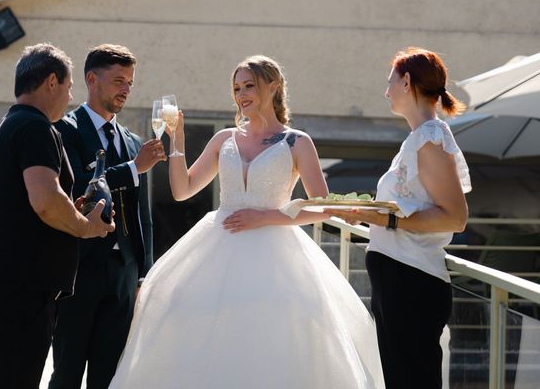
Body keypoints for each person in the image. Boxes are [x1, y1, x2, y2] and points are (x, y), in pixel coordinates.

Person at [109, 55, 385, 389]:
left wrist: (266, 216)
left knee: (271, 337)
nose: (241, 94)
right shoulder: (224, 138)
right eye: (237, 88)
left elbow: (324, 209)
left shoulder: (297, 142)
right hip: (217, 247)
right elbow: (182, 190)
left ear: (273, 86)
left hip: (276, 256)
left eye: (249, 85)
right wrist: (177, 139)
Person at [0, 43, 115, 389]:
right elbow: (46, 201)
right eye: (69, 88)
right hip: (19, 297)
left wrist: (72, 210)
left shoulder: (12, 126)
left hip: (12, 293)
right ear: (52, 82)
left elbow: (34, 201)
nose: (69, 98)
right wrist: (86, 227)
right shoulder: (35, 128)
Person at [326, 47, 471, 389]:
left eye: (390, 81)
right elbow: (414, 206)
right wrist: (365, 214)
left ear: (407, 82)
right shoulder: (419, 139)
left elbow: (455, 217)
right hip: (400, 278)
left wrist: (387, 221)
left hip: (411, 280)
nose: (386, 90)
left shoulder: (429, 138)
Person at [49, 44, 166, 389]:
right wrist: (133, 168)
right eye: (118, 80)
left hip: (124, 275)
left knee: (111, 377)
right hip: (78, 271)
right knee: (67, 373)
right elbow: (75, 189)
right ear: (91, 79)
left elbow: (142, 212)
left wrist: (145, 272)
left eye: (130, 82)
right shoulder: (64, 130)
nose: (126, 89)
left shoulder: (132, 141)